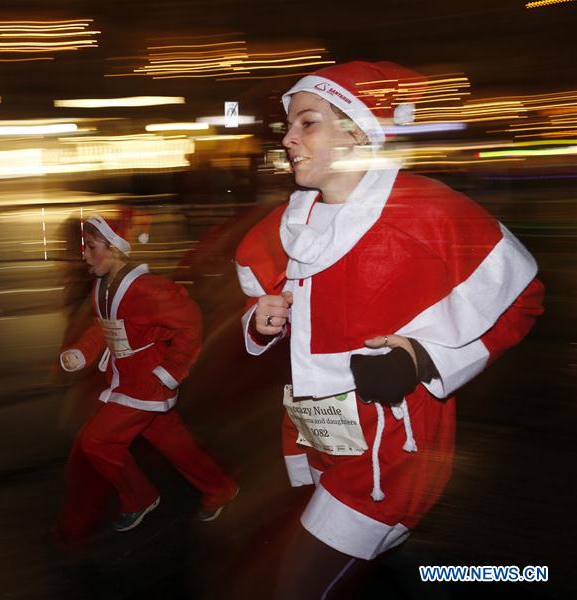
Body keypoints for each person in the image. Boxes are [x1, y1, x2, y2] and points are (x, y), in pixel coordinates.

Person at [234, 61, 544, 597]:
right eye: (287, 125)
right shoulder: (284, 224)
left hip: (391, 452)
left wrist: (422, 358)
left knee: (298, 585)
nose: (287, 138)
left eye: (307, 123)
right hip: (315, 430)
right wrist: (261, 322)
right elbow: (264, 304)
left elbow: (521, 297)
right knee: (386, 567)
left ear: (357, 132)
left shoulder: (425, 211)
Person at [53, 209, 239, 544]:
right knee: (174, 442)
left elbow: (190, 321)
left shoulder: (147, 290)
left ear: (112, 248)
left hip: (147, 384)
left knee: (95, 441)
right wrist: (81, 352)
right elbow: (104, 328)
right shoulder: (104, 287)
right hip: (127, 379)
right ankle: (220, 488)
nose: (84, 253)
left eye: (91, 245)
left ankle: (139, 498)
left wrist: (171, 370)